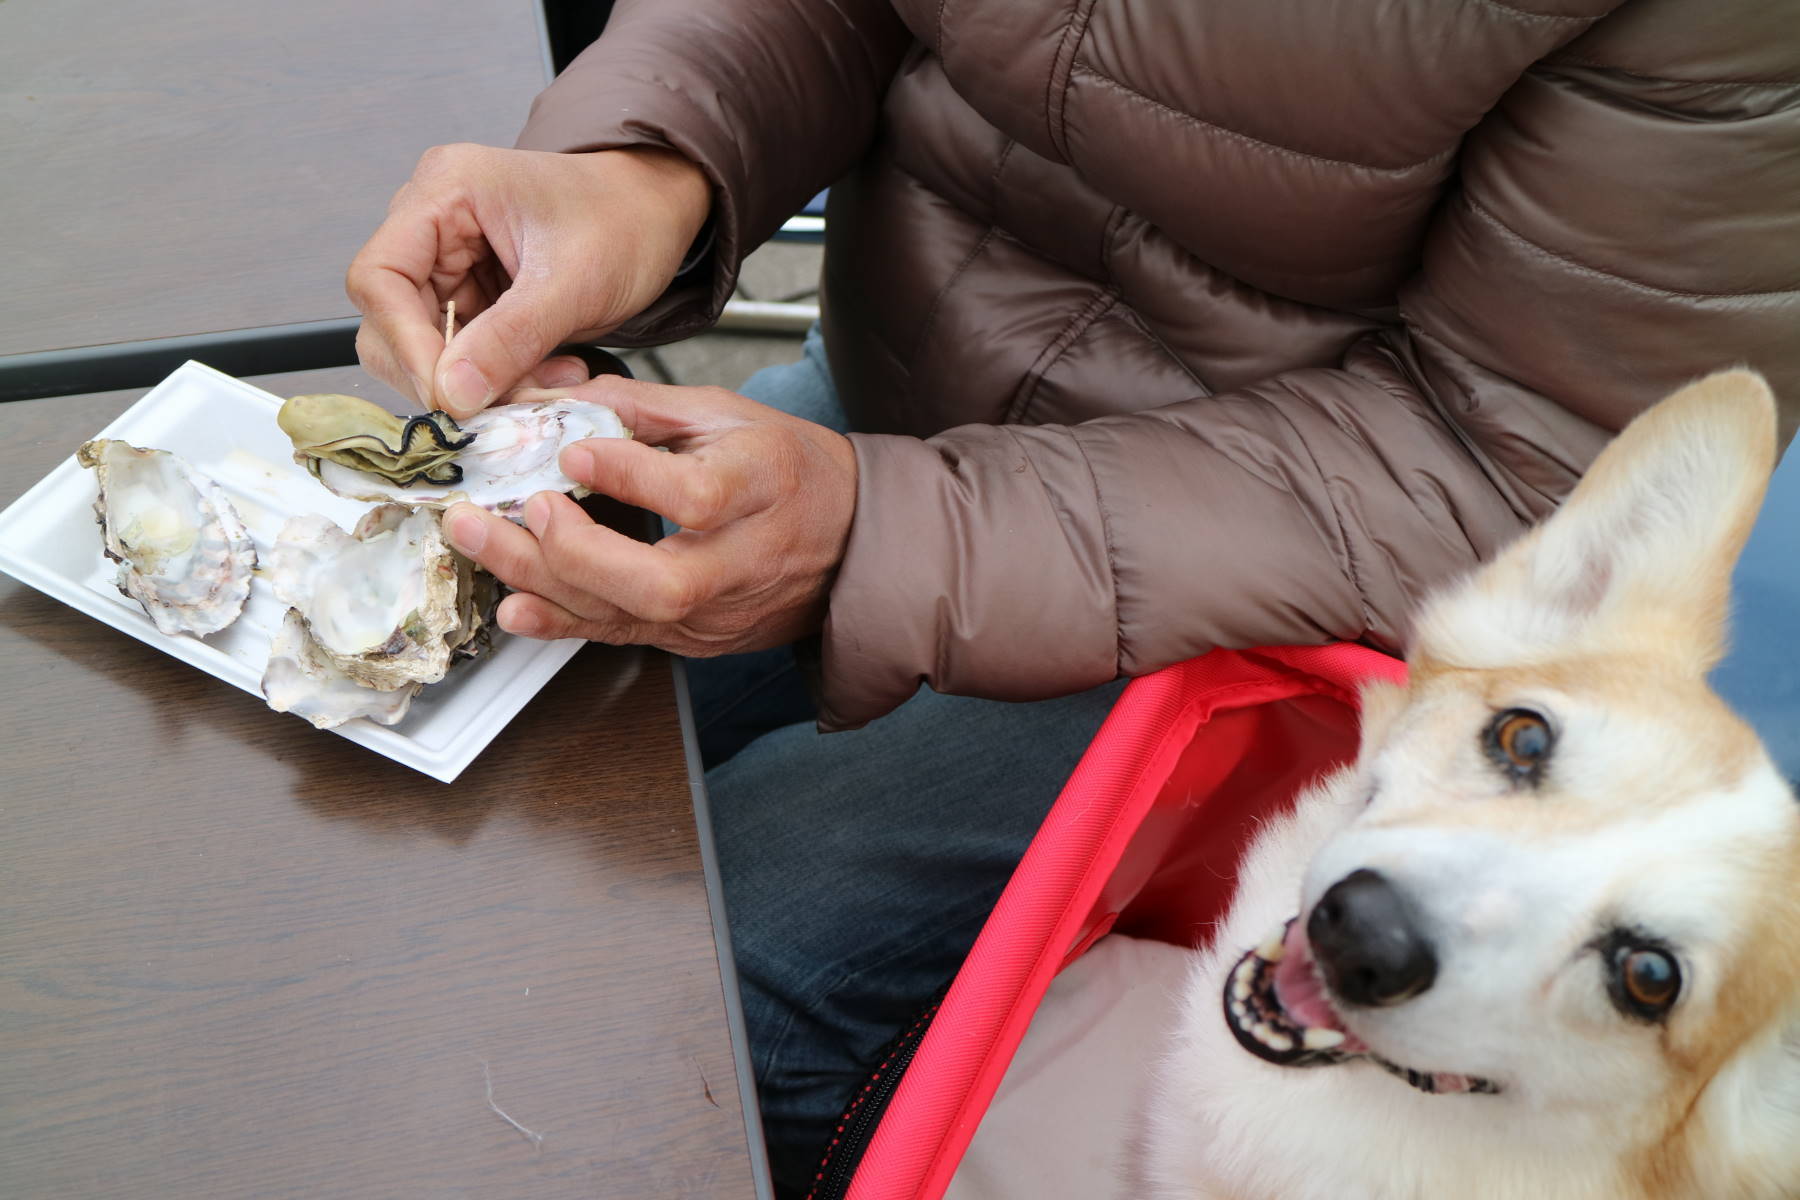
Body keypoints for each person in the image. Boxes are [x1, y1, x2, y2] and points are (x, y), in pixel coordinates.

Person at [347, 0, 1800, 1189]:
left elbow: (1512, 439)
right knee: (442, 749)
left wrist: (877, 535)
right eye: (1527, 752)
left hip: (1249, 579)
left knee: (689, 987)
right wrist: (648, 160)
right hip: (889, 392)